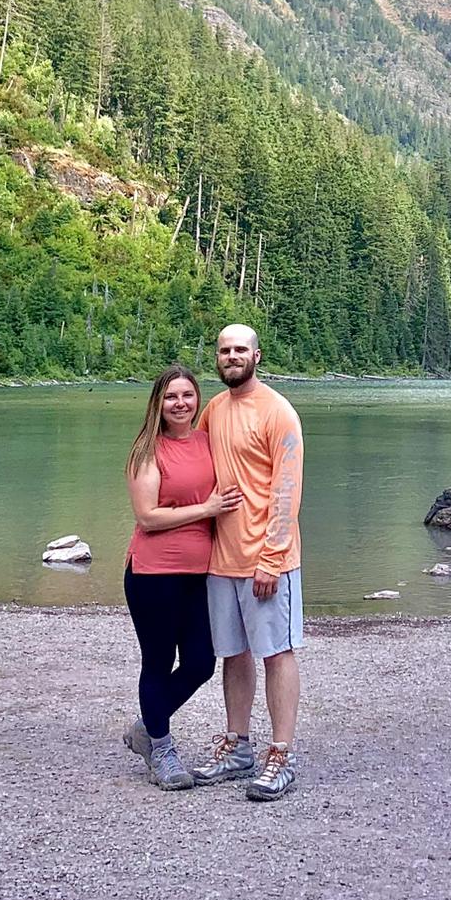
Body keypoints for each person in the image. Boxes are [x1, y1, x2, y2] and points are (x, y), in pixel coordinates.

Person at [191, 323, 305, 802]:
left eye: (240, 349)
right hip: (221, 560)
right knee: (233, 654)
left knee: (276, 652)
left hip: (267, 561)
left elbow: (286, 491)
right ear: (217, 358)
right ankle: (237, 745)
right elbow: (194, 468)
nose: (232, 356)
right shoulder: (214, 411)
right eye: (224, 350)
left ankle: (281, 753)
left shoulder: (279, 413)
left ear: (257, 356)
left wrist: (272, 559)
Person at [121, 364, 240, 790]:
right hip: (153, 573)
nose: (180, 403)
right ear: (158, 402)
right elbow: (148, 517)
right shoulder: (147, 451)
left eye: (187, 395)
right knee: (157, 662)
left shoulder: (208, 443)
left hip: (199, 574)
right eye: (171, 396)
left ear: (197, 400)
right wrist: (206, 511)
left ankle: (145, 727)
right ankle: (163, 750)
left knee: (200, 663)